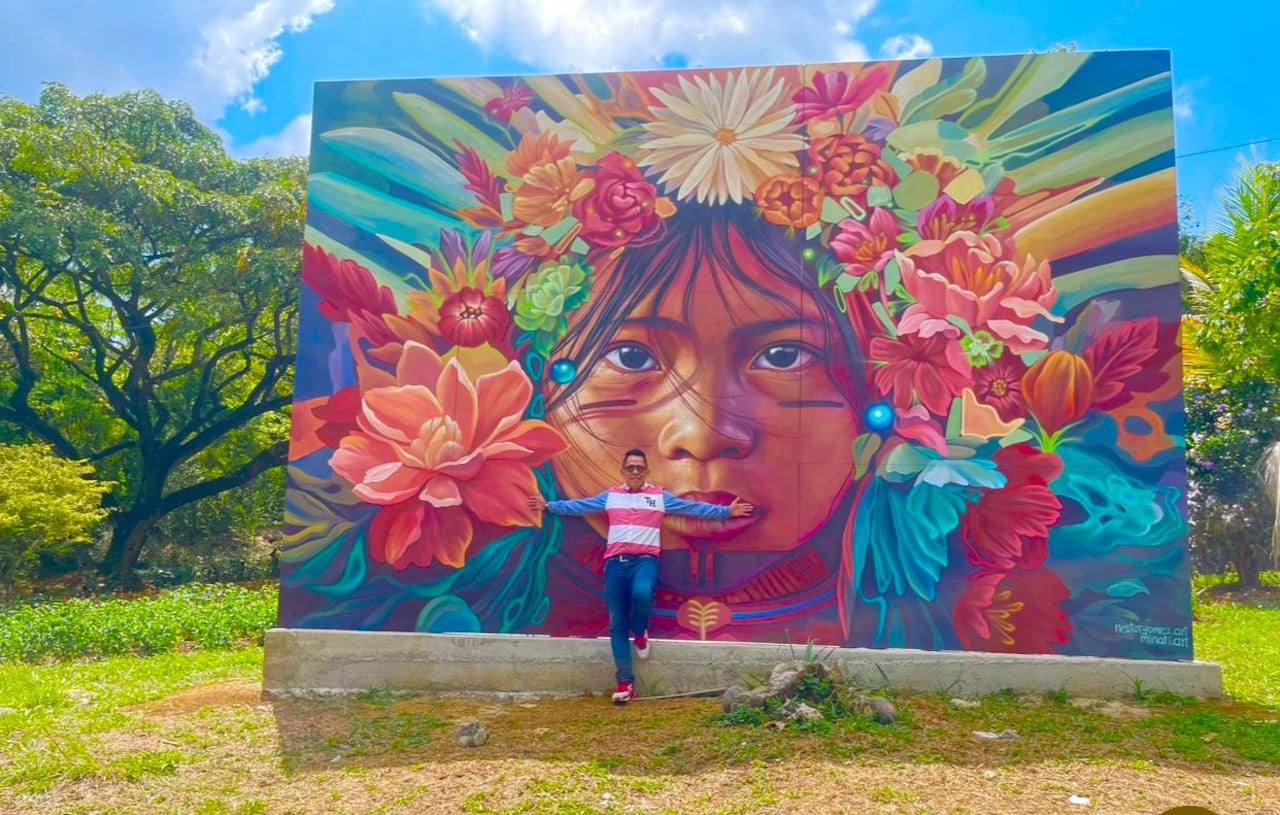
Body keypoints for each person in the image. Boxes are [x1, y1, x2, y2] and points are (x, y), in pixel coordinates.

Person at [528, 447, 754, 702]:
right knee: (616, 623)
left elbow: (691, 508)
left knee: (642, 593)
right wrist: (549, 506)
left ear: (646, 471)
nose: (635, 471)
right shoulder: (611, 496)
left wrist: (725, 512)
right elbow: (581, 505)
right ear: (623, 471)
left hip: (645, 561)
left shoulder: (659, 496)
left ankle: (640, 631)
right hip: (615, 563)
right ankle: (625, 684)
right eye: (630, 467)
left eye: (639, 467)